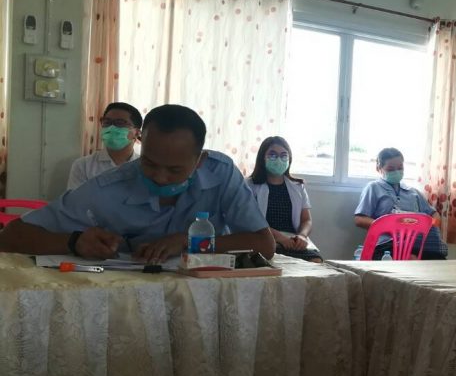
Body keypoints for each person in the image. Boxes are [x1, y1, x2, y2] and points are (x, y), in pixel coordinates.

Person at [0, 104, 275, 263]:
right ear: (140, 144)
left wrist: (189, 242)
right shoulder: (107, 189)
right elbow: (10, 236)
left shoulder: (220, 173)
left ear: (199, 160)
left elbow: (264, 243)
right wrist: (74, 242)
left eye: (175, 169)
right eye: (150, 163)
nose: (160, 177)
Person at [354, 147, 448, 260]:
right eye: (390, 169)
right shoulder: (373, 188)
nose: (396, 172)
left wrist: (426, 227)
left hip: (417, 243)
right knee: (411, 258)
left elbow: (434, 215)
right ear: (379, 168)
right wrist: (389, 227)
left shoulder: (413, 192)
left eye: (400, 168)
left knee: (437, 261)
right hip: (387, 244)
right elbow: (359, 219)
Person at [246, 136, 322, 263]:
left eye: (283, 155)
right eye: (272, 155)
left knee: (316, 261)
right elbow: (251, 221)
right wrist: (279, 237)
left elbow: (307, 220)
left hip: (292, 241)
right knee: (271, 261)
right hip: (265, 239)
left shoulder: (297, 186)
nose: (278, 159)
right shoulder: (249, 186)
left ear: (289, 159)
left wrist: (302, 236)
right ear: (262, 157)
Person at [67, 102, 143, 190]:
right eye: (107, 122)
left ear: (137, 133)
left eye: (120, 123)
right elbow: (76, 198)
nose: (111, 128)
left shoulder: (144, 167)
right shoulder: (83, 166)